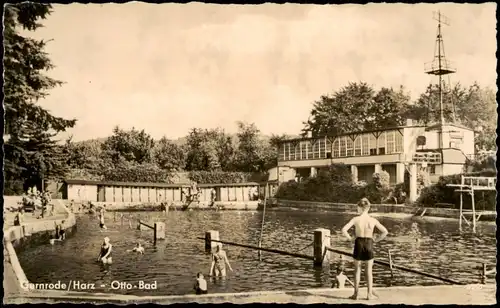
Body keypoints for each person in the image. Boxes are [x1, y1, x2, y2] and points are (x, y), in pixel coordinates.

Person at [341, 198, 388, 300]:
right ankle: (369, 294)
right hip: (369, 243)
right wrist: (376, 240)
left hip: (359, 243)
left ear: (361, 208)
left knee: (357, 270)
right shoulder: (373, 220)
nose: (357, 209)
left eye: (357, 208)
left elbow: (344, 229)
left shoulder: (356, 219)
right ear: (368, 208)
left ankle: (356, 294)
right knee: (369, 271)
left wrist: (350, 239)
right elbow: (385, 232)